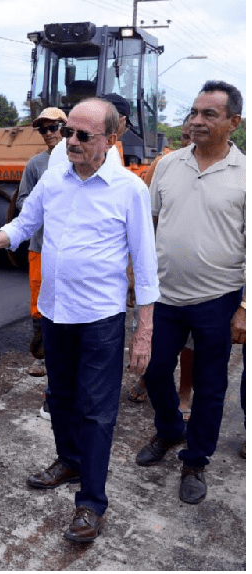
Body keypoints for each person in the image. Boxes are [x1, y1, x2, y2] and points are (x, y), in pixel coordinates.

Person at [0, 98, 159, 543]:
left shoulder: (129, 190)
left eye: (82, 135)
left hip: (100, 318)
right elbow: (25, 223)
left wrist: (145, 329)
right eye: (67, 133)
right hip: (56, 311)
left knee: (97, 412)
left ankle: (91, 503)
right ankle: (69, 459)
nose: (69, 141)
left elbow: (146, 262)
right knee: (59, 396)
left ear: (111, 140)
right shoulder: (56, 176)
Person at [135, 81, 245, 505]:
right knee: (155, 369)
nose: (196, 121)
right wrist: (138, 282)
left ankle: (196, 460)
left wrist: (244, 307)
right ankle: (168, 430)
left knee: (211, 384)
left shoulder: (245, 174)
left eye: (209, 114)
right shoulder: (168, 165)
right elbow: (149, 225)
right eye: (194, 112)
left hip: (218, 299)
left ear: (233, 123)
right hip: (164, 295)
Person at [127, 119, 194, 418]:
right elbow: (143, 223)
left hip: (201, 280)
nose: (189, 143)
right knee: (153, 334)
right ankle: (147, 379)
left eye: (194, 137)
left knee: (191, 343)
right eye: (184, 137)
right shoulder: (163, 166)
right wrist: (133, 270)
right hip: (162, 273)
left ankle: (184, 392)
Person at [15, 107, 68, 418]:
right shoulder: (36, 164)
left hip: (68, 248)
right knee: (38, 301)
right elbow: (22, 200)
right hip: (39, 245)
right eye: (43, 129)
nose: (49, 133)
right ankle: (41, 355)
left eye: (54, 127)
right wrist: (39, 201)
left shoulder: (78, 158)